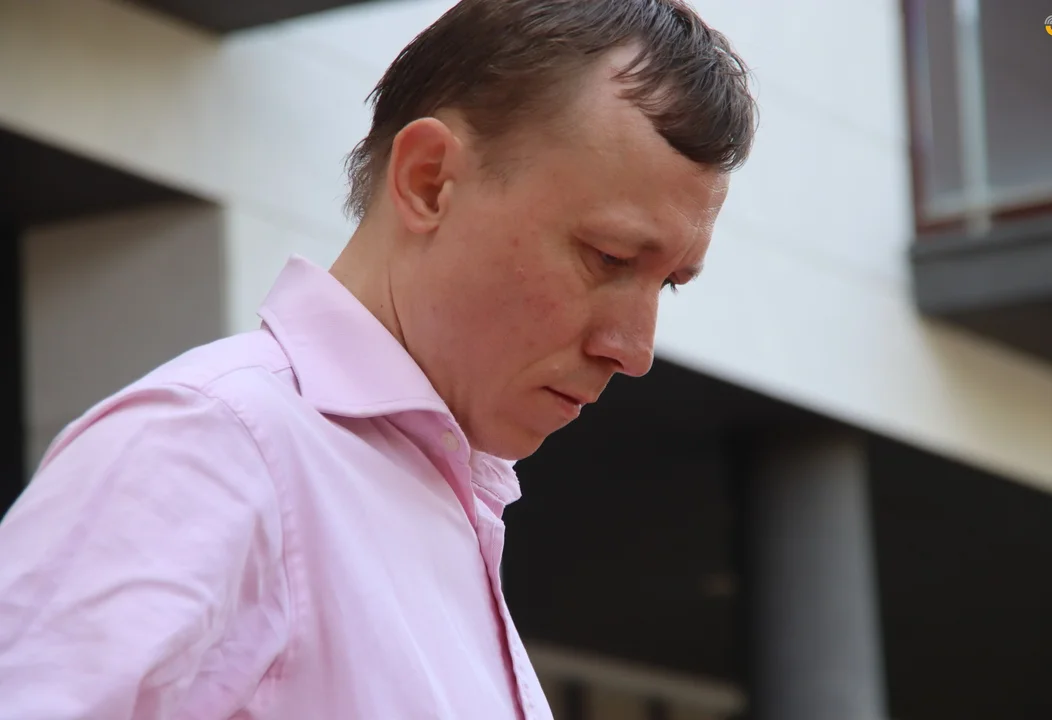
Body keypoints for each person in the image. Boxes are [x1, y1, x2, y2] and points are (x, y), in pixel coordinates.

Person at [0, 0, 756, 717]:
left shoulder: (401, 492)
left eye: (669, 283)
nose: (635, 350)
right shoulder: (204, 448)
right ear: (428, 181)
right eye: (609, 255)